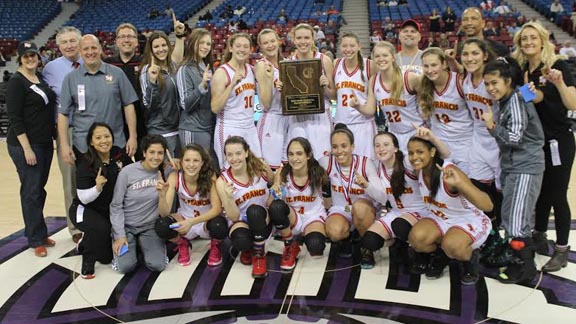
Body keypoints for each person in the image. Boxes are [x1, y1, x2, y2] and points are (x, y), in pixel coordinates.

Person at [512, 22, 576, 273]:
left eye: (532, 37)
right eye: (523, 38)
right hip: (533, 142)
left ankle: (561, 249)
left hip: (557, 140)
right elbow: (529, 101)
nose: (528, 42)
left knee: (557, 194)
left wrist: (558, 83)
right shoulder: (521, 69)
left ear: (542, 40)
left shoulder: (557, 65)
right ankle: (539, 235)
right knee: (538, 193)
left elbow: (571, 102)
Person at [481, 58, 545, 283]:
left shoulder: (515, 100)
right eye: (487, 84)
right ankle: (519, 261)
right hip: (515, 166)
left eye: (495, 82)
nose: (491, 88)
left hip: (524, 167)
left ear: (508, 81)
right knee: (513, 218)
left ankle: (526, 268)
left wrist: (491, 126)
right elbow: (529, 96)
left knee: (517, 221)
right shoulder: (512, 97)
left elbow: (515, 138)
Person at [407, 136, 493, 284]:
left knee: (452, 245)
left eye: (420, 152)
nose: (415, 157)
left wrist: (460, 184)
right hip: (440, 218)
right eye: (411, 153)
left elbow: (488, 206)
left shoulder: (450, 172)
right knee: (416, 239)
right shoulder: (419, 171)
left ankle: (469, 261)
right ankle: (442, 256)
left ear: (432, 152)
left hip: (468, 219)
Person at [356, 129, 447, 268]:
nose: (381, 148)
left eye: (386, 144)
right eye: (377, 145)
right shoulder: (376, 167)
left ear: (396, 148)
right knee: (369, 241)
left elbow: (444, 156)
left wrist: (433, 138)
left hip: (421, 211)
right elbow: (381, 198)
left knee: (400, 226)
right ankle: (399, 242)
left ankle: (430, 251)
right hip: (397, 212)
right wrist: (366, 185)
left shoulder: (407, 161)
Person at [6, 41, 57, 257]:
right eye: (25, 56)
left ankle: (38, 230)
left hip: (44, 142)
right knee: (31, 191)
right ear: (19, 58)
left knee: (38, 189)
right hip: (26, 145)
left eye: (33, 55)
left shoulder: (39, 77)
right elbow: (15, 118)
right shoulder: (17, 82)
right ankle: (35, 238)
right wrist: (27, 149)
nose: (30, 59)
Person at [459, 38, 506, 266]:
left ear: (484, 55)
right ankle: (489, 236)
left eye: (475, 53)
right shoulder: (465, 78)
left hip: (499, 139)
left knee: (501, 194)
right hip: (478, 139)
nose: (470, 58)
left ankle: (506, 239)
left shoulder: (494, 75)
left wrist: (533, 92)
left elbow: (517, 93)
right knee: (479, 191)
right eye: (465, 54)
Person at [59, 34, 139, 164]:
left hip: (116, 144)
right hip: (83, 145)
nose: (90, 52)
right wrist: (64, 145)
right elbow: (63, 114)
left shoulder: (117, 73)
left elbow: (128, 105)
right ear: (80, 52)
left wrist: (133, 137)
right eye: (86, 49)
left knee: (119, 184)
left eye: (94, 48)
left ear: (100, 49)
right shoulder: (70, 79)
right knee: (88, 184)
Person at [69, 122, 132, 278]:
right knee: (100, 228)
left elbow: (134, 170)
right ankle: (87, 261)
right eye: (98, 137)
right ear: (91, 141)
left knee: (105, 258)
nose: (104, 141)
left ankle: (85, 243)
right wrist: (97, 188)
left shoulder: (119, 154)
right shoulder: (85, 162)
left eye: (107, 136)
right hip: (84, 209)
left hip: (106, 210)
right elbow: (84, 198)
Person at [42, 26, 84, 243]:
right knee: (70, 181)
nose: (69, 45)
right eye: (64, 42)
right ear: (58, 46)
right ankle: (75, 228)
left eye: (72, 41)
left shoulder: (90, 61)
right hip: (65, 130)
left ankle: (96, 223)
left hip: (91, 129)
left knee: (93, 178)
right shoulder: (51, 68)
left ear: (80, 42)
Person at [319, 124, 381, 267]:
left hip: (364, 209)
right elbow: (304, 168)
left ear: (352, 147)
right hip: (342, 209)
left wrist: (366, 185)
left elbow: (382, 197)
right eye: (335, 147)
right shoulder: (326, 162)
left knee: (359, 207)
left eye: (344, 146)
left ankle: (366, 247)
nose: (339, 151)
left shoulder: (365, 163)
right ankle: (348, 237)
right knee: (334, 232)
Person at [154, 144, 226, 267]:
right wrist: (162, 196)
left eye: (196, 160)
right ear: (181, 162)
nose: (191, 165)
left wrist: (191, 222)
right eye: (187, 160)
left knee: (219, 224)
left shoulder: (210, 177)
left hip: (205, 222)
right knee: (161, 225)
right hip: (184, 221)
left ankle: (215, 245)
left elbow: (216, 209)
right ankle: (182, 243)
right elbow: (165, 213)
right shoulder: (175, 177)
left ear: (202, 162)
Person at [215, 136, 274, 278]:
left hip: (261, 217)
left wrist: (275, 180)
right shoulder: (222, 181)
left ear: (246, 153)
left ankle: (259, 254)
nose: (234, 158)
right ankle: (247, 247)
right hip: (240, 220)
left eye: (238, 153)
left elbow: (273, 181)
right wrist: (229, 198)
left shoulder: (259, 168)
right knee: (241, 239)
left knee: (254, 212)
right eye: (230, 155)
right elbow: (234, 217)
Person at [110, 134, 169, 273]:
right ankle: (130, 247)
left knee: (157, 265)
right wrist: (120, 235)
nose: (156, 157)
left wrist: (162, 194)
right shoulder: (127, 172)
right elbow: (116, 205)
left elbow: (165, 213)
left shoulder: (165, 172)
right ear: (144, 153)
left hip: (150, 227)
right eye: (152, 152)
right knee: (125, 267)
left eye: (160, 153)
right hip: (127, 227)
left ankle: (145, 248)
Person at [270, 137, 330, 269]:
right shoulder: (282, 173)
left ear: (308, 155)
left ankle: (304, 237)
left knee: (316, 247)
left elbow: (328, 203)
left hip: (313, 217)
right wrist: (275, 189)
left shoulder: (319, 174)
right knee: (276, 206)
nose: (294, 158)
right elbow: (270, 204)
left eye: (299, 153)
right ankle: (289, 244)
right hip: (293, 217)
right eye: (291, 154)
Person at [353, 41, 424, 153]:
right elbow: (370, 110)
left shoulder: (409, 78)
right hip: (393, 134)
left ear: (393, 58)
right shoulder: (374, 80)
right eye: (377, 56)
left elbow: (429, 99)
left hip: (415, 132)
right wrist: (358, 106)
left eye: (385, 55)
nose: (381, 59)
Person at [418, 47, 473, 174]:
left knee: (466, 185)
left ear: (444, 64)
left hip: (464, 142)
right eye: (426, 66)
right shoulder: (424, 85)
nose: (430, 70)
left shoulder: (459, 81)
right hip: (439, 142)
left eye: (434, 65)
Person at [211, 33, 261, 168]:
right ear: (231, 48)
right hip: (229, 127)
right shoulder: (222, 73)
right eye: (238, 46)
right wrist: (232, 84)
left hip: (250, 127)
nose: (242, 49)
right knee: (230, 171)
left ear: (250, 49)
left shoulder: (251, 70)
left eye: (246, 46)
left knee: (256, 169)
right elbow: (215, 107)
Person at [286, 24, 335, 159]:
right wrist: (281, 88)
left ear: (313, 39)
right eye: (299, 38)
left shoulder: (324, 60)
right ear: (294, 40)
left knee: (323, 159)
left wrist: (325, 86)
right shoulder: (288, 62)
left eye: (307, 38)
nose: (303, 42)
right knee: (299, 159)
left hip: (320, 115)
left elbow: (334, 95)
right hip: (297, 116)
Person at [104, 23, 147, 161]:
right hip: (116, 125)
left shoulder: (145, 62)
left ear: (136, 41)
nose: (126, 40)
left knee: (143, 166)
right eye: (122, 37)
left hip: (143, 124)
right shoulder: (107, 65)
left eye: (130, 36)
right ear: (116, 41)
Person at [176, 28, 218, 167]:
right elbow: (185, 104)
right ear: (192, 43)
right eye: (202, 43)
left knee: (206, 170)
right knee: (193, 170)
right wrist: (202, 85)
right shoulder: (184, 69)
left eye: (208, 44)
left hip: (208, 127)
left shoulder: (207, 67)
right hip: (192, 128)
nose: (205, 47)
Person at [140, 30, 185, 158]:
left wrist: (179, 35)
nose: (161, 49)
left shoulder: (173, 67)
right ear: (151, 50)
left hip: (179, 128)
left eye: (163, 45)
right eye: (156, 46)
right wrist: (153, 82)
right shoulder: (147, 71)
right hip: (161, 131)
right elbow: (147, 104)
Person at [333, 32, 376, 158]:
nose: (348, 49)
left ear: (359, 46)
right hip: (341, 123)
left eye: (352, 46)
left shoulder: (370, 65)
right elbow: (333, 96)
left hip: (363, 124)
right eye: (344, 46)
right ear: (340, 47)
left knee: (366, 165)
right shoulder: (336, 64)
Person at [255, 29, 289, 169]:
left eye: (272, 41)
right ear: (260, 46)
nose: (270, 45)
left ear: (278, 41)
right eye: (265, 43)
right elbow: (266, 103)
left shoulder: (286, 63)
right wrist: (270, 82)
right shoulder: (262, 65)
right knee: (269, 168)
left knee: (287, 167)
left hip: (288, 119)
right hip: (271, 119)